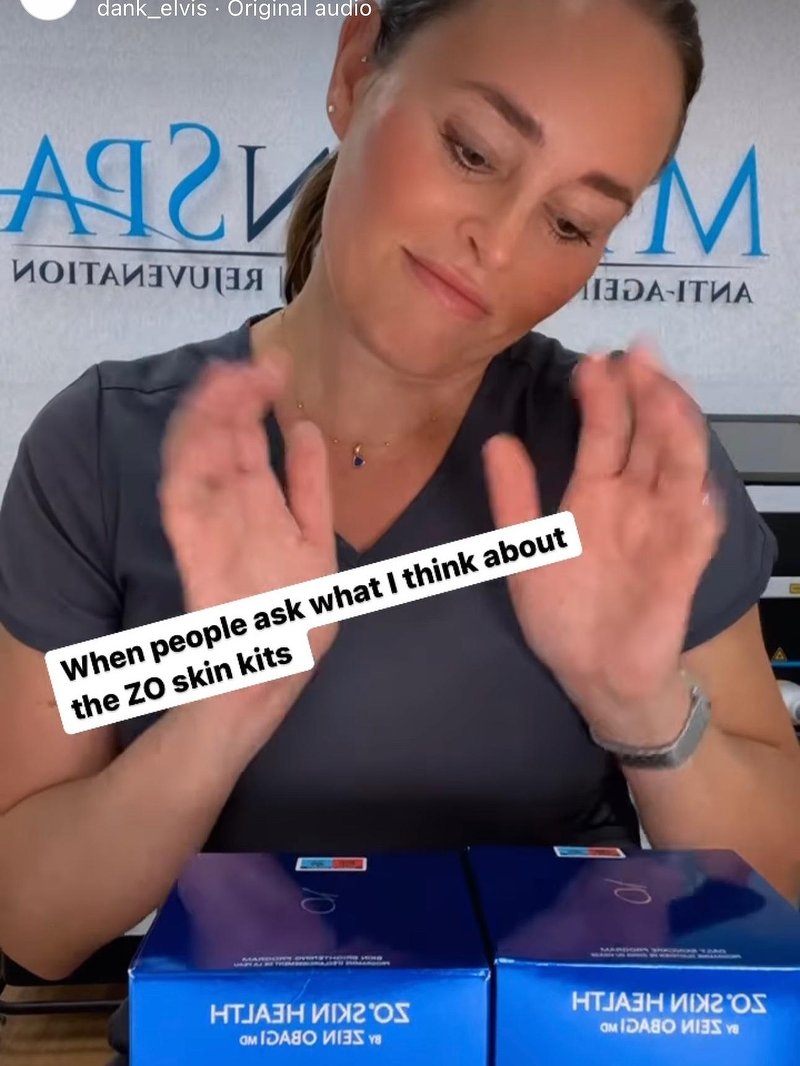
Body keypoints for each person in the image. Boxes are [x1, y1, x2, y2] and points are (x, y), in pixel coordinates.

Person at [1, 1, 799, 1061]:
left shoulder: (625, 462)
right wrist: (223, 703)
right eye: (472, 151)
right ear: (354, 69)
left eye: (571, 222)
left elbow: (781, 884)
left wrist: (641, 707)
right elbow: (35, 923)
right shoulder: (105, 443)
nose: (497, 246)